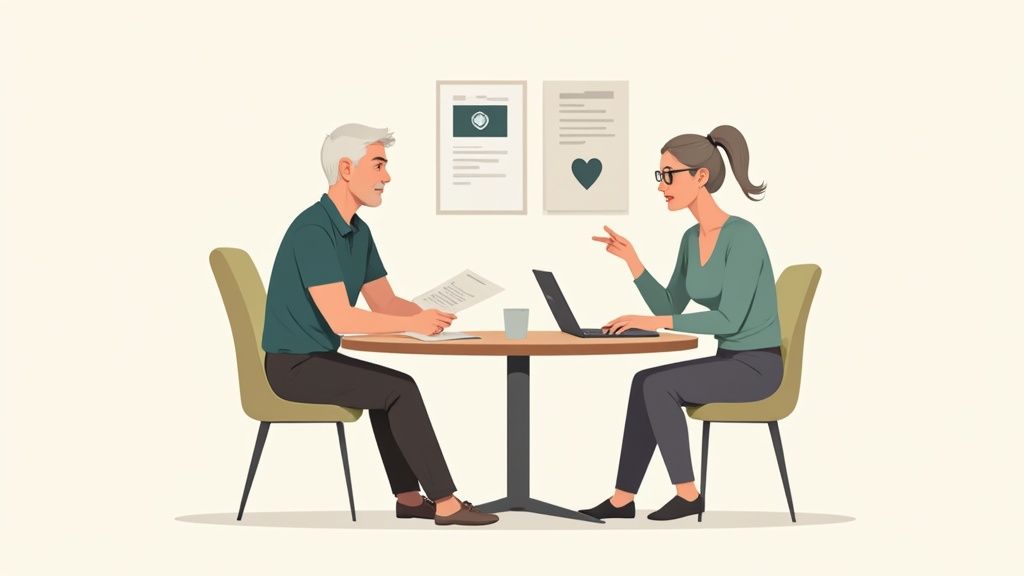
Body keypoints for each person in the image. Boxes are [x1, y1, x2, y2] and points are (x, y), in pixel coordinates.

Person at [261, 123, 498, 526]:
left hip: (318, 358)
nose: (387, 177)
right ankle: (445, 502)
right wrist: (414, 323)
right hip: (292, 366)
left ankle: (409, 499)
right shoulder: (314, 231)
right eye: (378, 165)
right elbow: (341, 318)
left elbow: (384, 301)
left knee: (391, 389)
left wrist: (430, 314)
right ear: (347, 169)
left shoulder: (358, 230)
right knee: (399, 389)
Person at [582, 125, 783, 521]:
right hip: (729, 361)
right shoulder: (692, 238)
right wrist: (633, 262)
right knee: (644, 380)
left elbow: (730, 318)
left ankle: (688, 494)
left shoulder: (742, 237)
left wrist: (654, 319)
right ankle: (622, 500)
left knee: (659, 385)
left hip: (760, 366)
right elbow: (673, 302)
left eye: (669, 175)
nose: (662, 186)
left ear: (701, 177)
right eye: (661, 176)